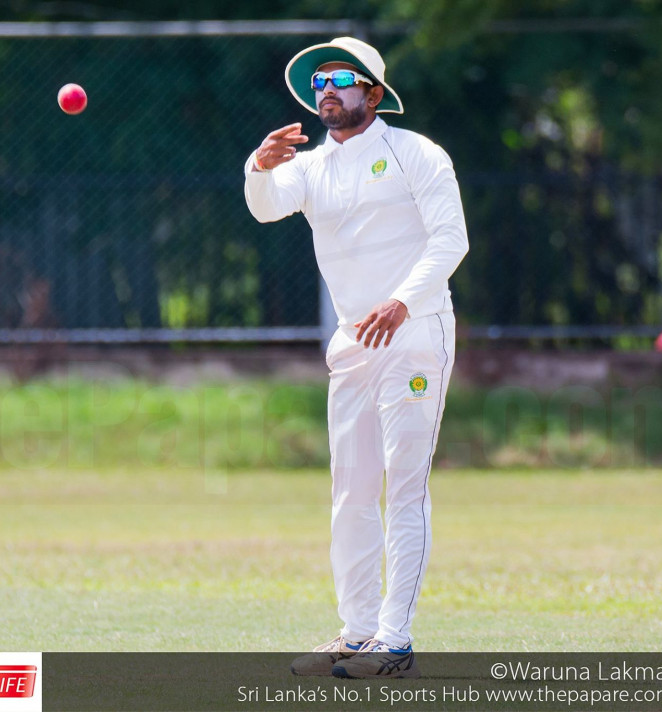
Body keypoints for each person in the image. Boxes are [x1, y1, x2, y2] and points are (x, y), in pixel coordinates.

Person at [244, 37, 469, 678]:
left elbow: (452, 238)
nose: (327, 90)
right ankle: (356, 633)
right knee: (350, 493)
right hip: (352, 343)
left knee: (404, 486)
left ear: (373, 92)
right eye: (318, 83)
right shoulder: (311, 168)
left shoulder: (416, 153)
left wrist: (401, 302)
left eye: (342, 78)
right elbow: (264, 209)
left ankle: (394, 642)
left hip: (418, 330)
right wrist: (257, 167)